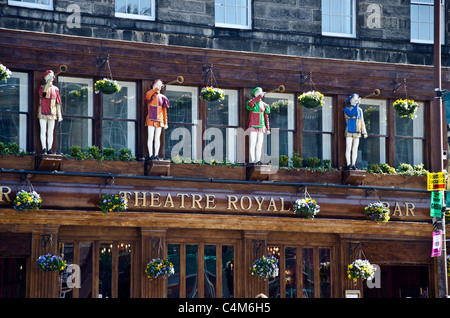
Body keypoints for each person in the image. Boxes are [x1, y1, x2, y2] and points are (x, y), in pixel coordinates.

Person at [38, 70, 62, 154]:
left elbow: (58, 102)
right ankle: (44, 148)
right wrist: (48, 82)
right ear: (45, 78)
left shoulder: (56, 89)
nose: (51, 78)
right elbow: (44, 92)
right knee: (43, 130)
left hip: (52, 112)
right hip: (43, 112)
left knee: (51, 132)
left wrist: (59, 115)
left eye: (51, 76)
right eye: (48, 76)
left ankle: (49, 149)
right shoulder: (41, 87)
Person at [145, 79, 170, 160]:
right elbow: (148, 94)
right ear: (153, 85)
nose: (158, 86)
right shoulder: (150, 94)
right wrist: (155, 89)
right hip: (151, 119)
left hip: (159, 120)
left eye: (160, 84)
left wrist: (165, 122)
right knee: (150, 137)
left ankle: (156, 155)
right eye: (157, 84)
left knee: (157, 138)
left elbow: (164, 112)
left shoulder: (163, 98)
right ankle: (150, 155)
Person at [246, 87, 270, 165]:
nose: (260, 93)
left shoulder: (264, 105)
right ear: (255, 94)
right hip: (253, 125)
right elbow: (250, 104)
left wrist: (268, 128)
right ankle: (252, 160)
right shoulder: (251, 102)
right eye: (258, 92)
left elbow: (266, 117)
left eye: (261, 92)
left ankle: (257, 160)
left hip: (261, 126)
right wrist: (259, 97)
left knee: (259, 144)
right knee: (252, 143)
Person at [344, 93, 367, 170]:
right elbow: (351, 114)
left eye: (357, 98)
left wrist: (364, 132)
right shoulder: (347, 109)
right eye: (354, 98)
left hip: (357, 131)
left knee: (355, 148)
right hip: (349, 131)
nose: (356, 100)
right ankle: (348, 164)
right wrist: (357, 105)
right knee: (348, 148)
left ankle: (353, 164)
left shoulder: (360, 110)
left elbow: (362, 121)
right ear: (350, 100)